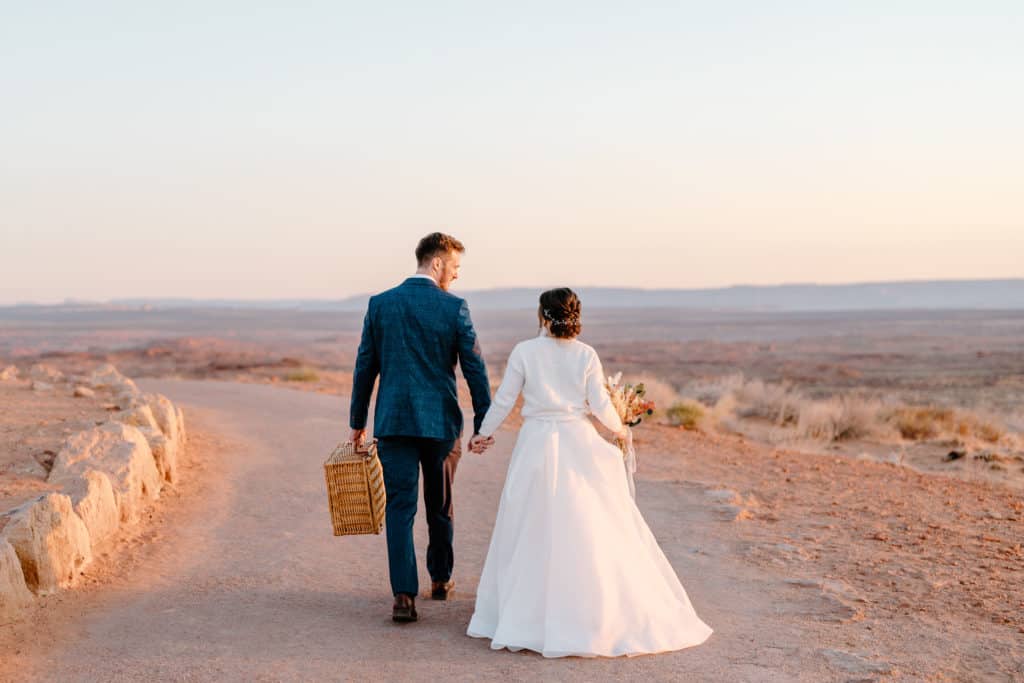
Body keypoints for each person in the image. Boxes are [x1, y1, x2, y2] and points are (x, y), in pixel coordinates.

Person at [466, 287, 713, 657]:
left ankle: (527, 613)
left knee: (531, 523)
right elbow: (599, 405)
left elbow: (504, 401)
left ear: (542, 316)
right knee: (582, 523)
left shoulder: (524, 352)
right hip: (576, 443)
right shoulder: (585, 355)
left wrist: (482, 434)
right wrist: (620, 430)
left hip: (536, 446)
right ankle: (587, 611)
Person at [349, 232, 492, 623]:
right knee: (440, 504)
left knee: (399, 507)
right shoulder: (454, 307)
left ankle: (403, 596)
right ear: (437, 262)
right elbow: (475, 368)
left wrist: (357, 422)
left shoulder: (380, 304)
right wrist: (483, 422)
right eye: (455, 267)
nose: (457, 275)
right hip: (440, 424)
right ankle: (441, 579)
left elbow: (365, 367)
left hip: (394, 422)